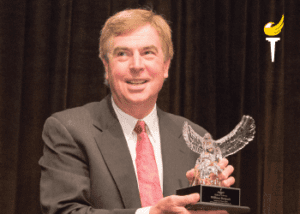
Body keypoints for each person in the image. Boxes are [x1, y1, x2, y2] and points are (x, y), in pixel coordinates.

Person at [39, 8, 235, 214]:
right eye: (122, 54)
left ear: (166, 66)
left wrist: (210, 206)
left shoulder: (197, 138)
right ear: (106, 66)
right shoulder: (70, 130)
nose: (136, 65)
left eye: (147, 53)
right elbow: (64, 211)